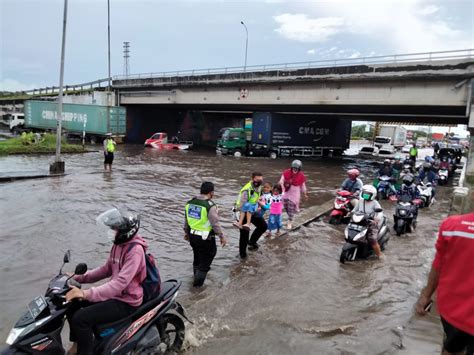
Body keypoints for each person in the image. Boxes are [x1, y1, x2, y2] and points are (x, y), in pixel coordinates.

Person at [65, 208, 149, 355]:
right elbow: (106, 270)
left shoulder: (135, 251)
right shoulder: (118, 246)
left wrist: (85, 293)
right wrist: (77, 277)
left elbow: (119, 283)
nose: (112, 232)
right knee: (72, 305)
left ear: (125, 231)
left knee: (81, 319)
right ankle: (77, 345)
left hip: (127, 301)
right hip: (117, 295)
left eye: (114, 229)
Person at [415, 212, 474, 354]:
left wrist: (425, 296)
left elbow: (438, 265)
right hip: (455, 312)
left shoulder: (452, 226)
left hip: (451, 310)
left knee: (451, 347)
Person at [184, 182, 227, 287]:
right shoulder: (210, 205)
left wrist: (186, 233)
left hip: (192, 236)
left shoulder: (190, 203)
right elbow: (215, 224)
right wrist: (221, 236)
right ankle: (197, 287)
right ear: (211, 192)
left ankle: (195, 278)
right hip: (205, 238)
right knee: (207, 259)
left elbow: (186, 221)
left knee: (197, 258)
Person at [237, 172, 268, 259]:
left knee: (263, 226)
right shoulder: (247, 190)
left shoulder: (258, 187)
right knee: (244, 235)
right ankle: (242, 256)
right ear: (253, 179)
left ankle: (252, 242)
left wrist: (259, 205)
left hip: (253, 211)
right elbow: (241, 206)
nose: (259, 182)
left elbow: (257, 198)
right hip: (243, 212)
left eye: (261, 180)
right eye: (257, 180)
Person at [352, 185, 384, 259]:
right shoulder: (360, 201)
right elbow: (355, 210)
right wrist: (350, 213)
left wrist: (376, 219)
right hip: (360, 220)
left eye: (368, 194)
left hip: (370, 222)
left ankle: (379, 255)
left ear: (372, 195)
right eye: (364, 193)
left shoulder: (375, 203)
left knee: (372, 239)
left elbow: (380, 212)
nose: (366, 195)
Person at [279, 160, 308, 230]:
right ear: (292, 167)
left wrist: (305, 194)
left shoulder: (301, 175)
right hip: (286, 191)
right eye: (294, 168)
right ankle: (289, 217)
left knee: (291, 207)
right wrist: (281, 186)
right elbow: (281, 180)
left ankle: (290, 221)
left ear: (299, 169)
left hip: (295, 193)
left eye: (297, 168)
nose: (295, 170)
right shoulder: (286, 172)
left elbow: (303, 185)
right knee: (286, 206)